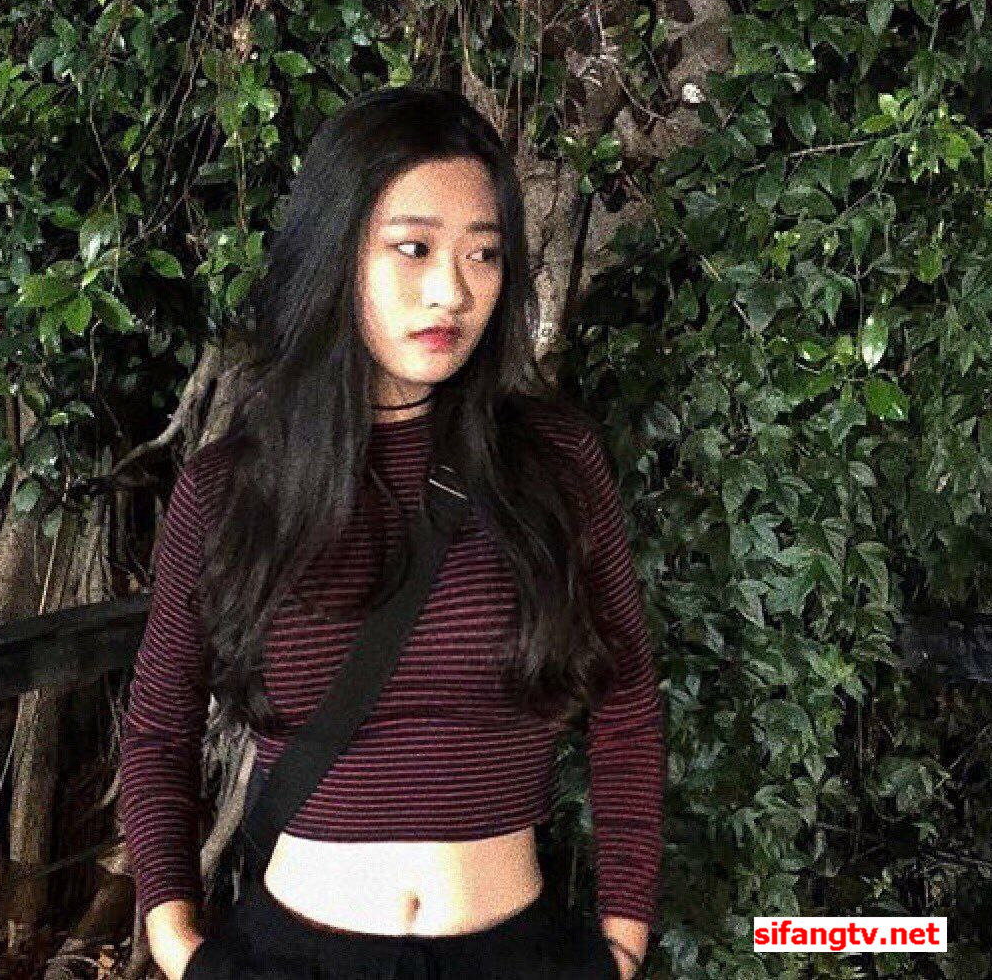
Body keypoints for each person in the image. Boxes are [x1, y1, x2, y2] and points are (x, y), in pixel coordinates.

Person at [118, 85, 665, 980]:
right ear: (336, 251)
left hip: (517, 955)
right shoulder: (233, 488)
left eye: (483, 253)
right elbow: (158, 727)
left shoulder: (554, 462)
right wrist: (181, 946)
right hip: (291, 960)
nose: (452, 291)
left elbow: (628, 702)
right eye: (414, 248)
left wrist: (621, 944)